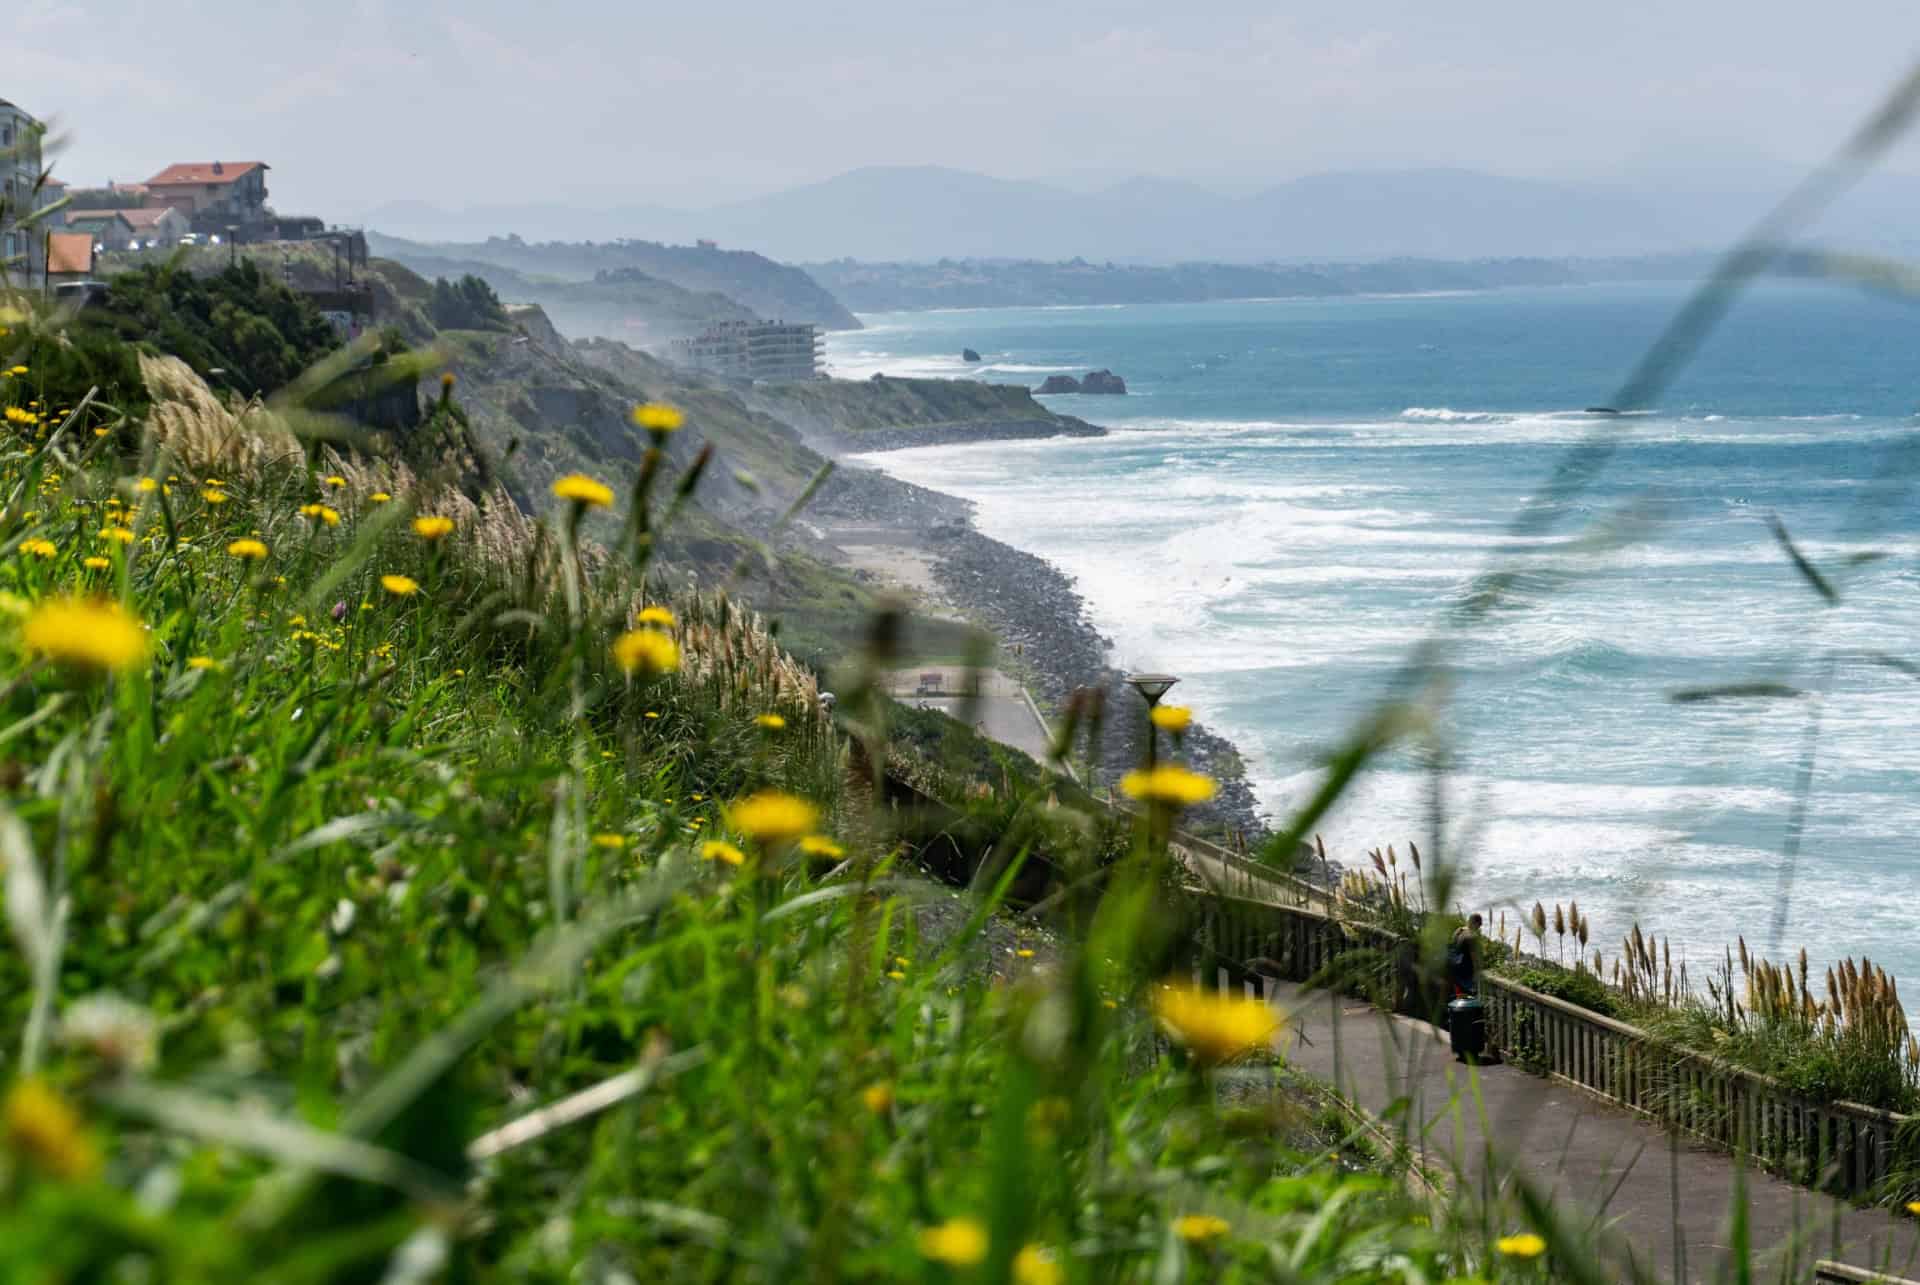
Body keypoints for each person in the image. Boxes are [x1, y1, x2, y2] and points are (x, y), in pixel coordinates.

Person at [1448, 914, 1482, 997]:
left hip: (1455, 969)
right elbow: (1474, 957)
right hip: (1466, 973)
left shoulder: (1459, 931)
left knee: (1457, 997)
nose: (1480, 927)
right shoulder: (1472, 937)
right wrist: (1477, 972)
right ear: (1475, 923)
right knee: (1469, 998)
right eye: (1479, 924)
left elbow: (1453, 945)